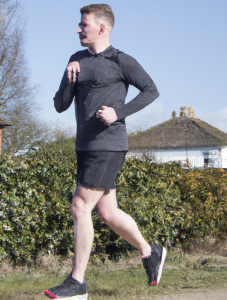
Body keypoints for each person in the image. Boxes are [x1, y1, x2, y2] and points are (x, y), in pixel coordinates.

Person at [44, 4, 166, 300]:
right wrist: (68, 75)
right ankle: (150, 252)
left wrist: (119, 113)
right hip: (84, 146)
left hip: (109, 144)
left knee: (79, 207)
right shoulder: (76, 59)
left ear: (102, 28)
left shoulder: (121, 60)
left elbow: (151, 90)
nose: (78, 29)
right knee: (107, 212)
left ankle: (77, 283)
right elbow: (60, 105)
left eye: (83, 25)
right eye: (79, 23)